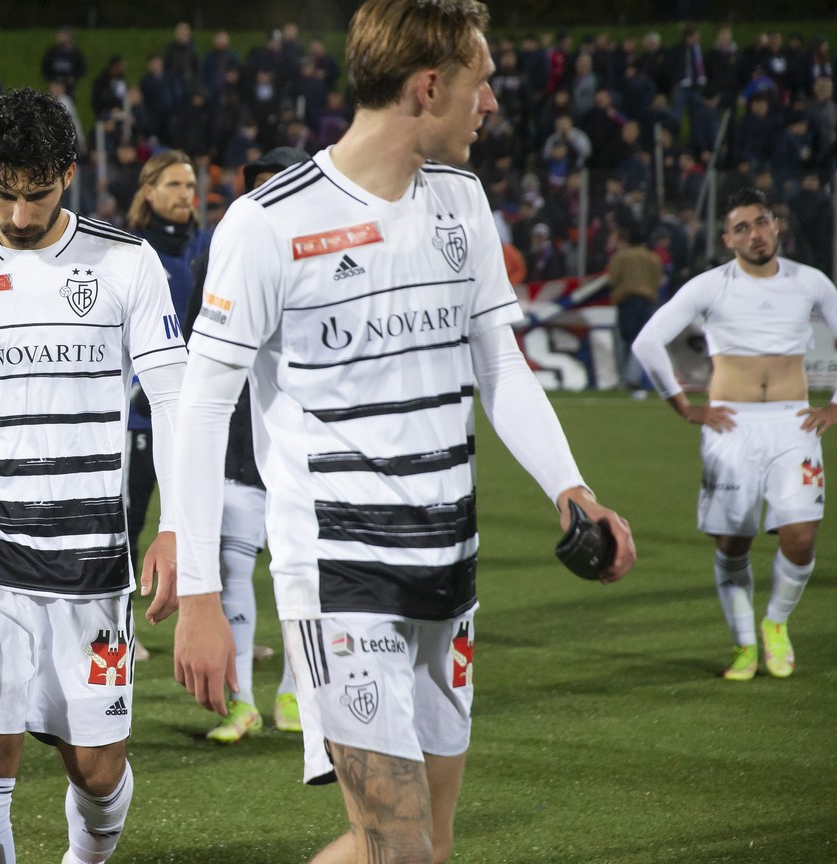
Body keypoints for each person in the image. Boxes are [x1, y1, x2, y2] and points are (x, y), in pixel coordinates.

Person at [170, 3, 637, 863]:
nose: (492, 101)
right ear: (429, 87)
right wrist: (201, 591)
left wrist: (571, 487)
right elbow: (201, 409)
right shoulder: (269, 224)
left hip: (448, 564)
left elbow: (500, 364)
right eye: (480, 81)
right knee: (401, 849)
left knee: (426, 848)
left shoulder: (462, 200)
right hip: (339, 572)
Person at [0, 88, 184, 864]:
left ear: (70, 175)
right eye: (2, 192)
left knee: (97, 769)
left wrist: (180, 525)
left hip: (88, 555)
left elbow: (177, 401)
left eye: (38, 194)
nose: (19, 215)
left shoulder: (126, 263)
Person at [632, 188, 837, 682]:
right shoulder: (710, 286)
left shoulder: (810, 282)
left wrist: (835, 405)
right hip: (731, 427)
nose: (755, 233)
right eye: (742, 228)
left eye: (761, 222)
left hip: (793, 423)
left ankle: (776, 624)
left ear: (776, 226)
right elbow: (648, 341)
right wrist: (683, 406)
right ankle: (744, 644)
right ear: (728, 239)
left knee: (801, 535)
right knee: (732, 542)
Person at [180, 146, 311, 746]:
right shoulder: (226, 248)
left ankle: (295, 690)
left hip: (300, 451)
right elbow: (194, 349)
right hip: (234, 443)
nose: (271, 197)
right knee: (232, 570)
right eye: (260, 186)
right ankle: (244, 703)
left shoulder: (331, 254)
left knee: (298, 575)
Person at [123, 151, 208, 572]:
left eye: (190, 185)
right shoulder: (128, 251)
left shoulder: (207, 246)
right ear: (148, 190)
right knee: (127, 518)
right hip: (139, 412)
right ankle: (117, 633)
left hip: (199, 408)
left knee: (205, 522)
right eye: (174, 184)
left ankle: (219, 633)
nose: (184, 194)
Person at [605, 226, 664, 393]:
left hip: (626, 301)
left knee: (624, 340)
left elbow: (612, 279)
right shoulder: (654, 258)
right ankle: (632, 377)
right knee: (640, 340)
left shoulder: (621, 257)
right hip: (646, 302)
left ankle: (626, 378)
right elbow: (658, 281)